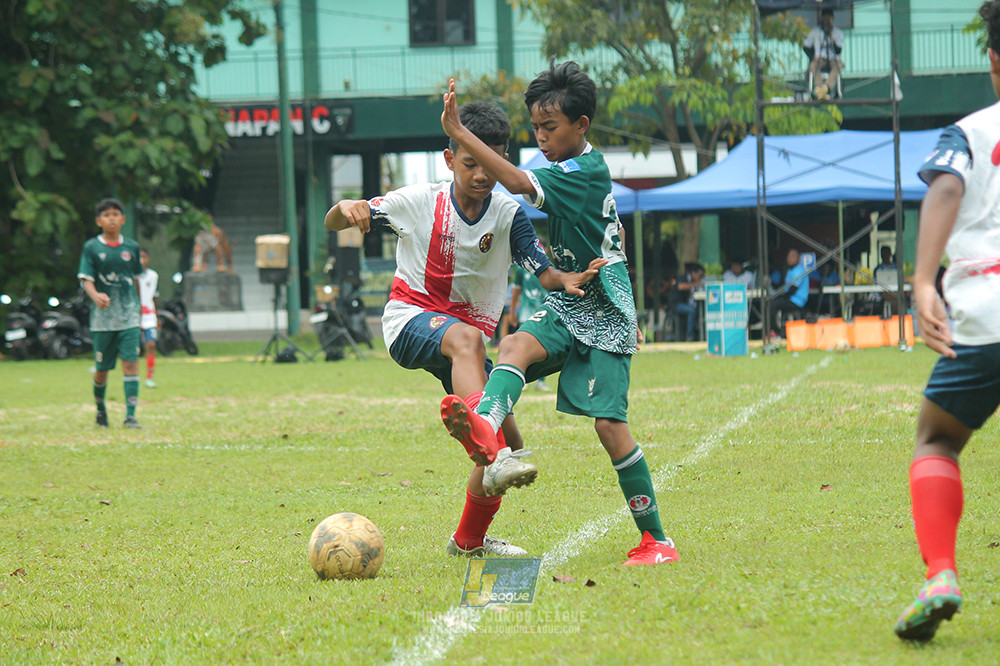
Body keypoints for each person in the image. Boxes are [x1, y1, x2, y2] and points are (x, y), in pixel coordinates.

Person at [324, 100, 604, 558]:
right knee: (481, 392)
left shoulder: (508, 215)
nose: (481, 175)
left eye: (489, 165)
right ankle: (484, 441)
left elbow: (543, 270)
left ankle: (469, 540)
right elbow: (334, 222)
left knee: (510, 443)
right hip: (410, 321)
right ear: (450, 159)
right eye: (469, 163)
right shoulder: (418, 201)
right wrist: (345, 207)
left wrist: (566, 279)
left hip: (463, 348)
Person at [437, 61, 679, 566]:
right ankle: (486, 426)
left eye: (550, 128)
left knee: (609, 428)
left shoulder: (584, 170)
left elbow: (519, 183)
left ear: (581, 126)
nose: (541, 138)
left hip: (607, 309)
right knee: (514, 346)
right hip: (571, 299)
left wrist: (459, 131)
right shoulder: (571, 168)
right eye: (536, 128)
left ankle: (656, 539)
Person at [892, 0, 1000, 641]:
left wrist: (922, 280)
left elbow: (947, 189)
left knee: (937, 438)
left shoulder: (968, 133)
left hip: (984, 317)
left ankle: (941, 575)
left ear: (992, 61)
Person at [77, 198, 143, 429]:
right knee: (102, 371)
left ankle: (131, 416)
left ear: (123, 219)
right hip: (102, 321)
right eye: (106, 215)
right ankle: (101, 410)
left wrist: (141, 310)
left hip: (128, 317)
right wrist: (96, 297)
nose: (112, 218)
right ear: (98, 221)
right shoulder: (92, 248)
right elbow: (86, 280)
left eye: (116, 214)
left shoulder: (132, 248)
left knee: (131, 365)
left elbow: (135, 280)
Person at [509, 260, 551, 391]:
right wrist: (512, 312)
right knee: (523, 346)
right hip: (525, 312)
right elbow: (516, 290)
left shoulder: (550, 268)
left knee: (545, 347)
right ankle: (524, 378)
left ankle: (541, 381)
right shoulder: (522, 269)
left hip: (543, 312)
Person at [803, 8, 844, 100]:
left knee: (838, 65)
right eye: (824, 18)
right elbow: (806, 47)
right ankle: (819, 89)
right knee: (813, 65)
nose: (826, 21)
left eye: (828, 18)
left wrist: (832, 38)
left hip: (834, 59)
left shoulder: (838, 33)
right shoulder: (815, 31)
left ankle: (826, 88)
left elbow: (838, 50)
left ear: (832, 19)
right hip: (820, 59)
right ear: (821, 18)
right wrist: (813, 57)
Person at [770, 248, 810, 335]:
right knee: (772, 301)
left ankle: (775, 331)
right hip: (790, 299)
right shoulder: (790, 270)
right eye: (788, 256)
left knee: (773, 304)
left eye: (793, 256)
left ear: (799, 258)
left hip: (797, 301)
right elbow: (784, 287)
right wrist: (771, 283)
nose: (789, 259)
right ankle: (781, 331)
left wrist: (780, 297)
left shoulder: (799, 270)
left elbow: (792, 290)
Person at [137, 248, 159, 388]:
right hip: (134, 316)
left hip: (149, 315)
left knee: (151, 344)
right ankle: (134, 377)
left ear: (148, 259)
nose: (141, 260)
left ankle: (149, 377)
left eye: (144, 257)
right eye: (139, 257)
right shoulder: (131, 276)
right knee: (135, 349)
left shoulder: (153, 276)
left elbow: (154, 296)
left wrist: (156, 316)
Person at [670, 262, 705, 342]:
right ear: (693, 273)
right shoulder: (683, 277)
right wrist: (694, 284)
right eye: (699, 276)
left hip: (687, 304)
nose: (700, 279)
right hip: (676, 304)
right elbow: (680, 287)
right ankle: (690, 336)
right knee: (691, 310)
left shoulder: (695, 283)